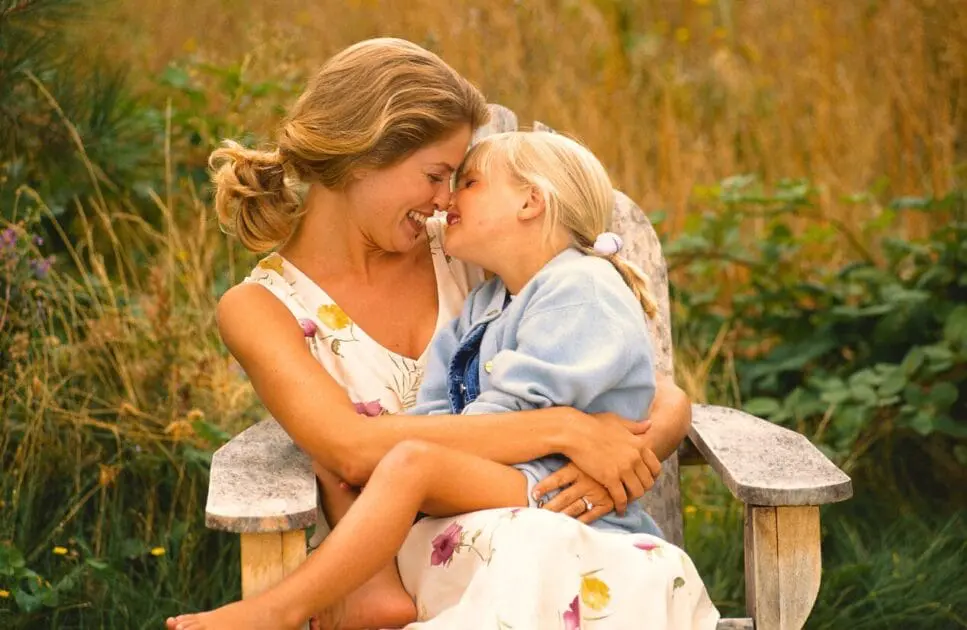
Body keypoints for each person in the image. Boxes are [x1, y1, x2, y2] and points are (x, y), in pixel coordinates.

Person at [166, 38, 716, 630]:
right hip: (394, 569)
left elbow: (658, 394)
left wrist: (607, 474)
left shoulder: (466, 253)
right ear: (361, 155)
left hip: (531, 544)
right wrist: (568, 429)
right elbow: (350, 449)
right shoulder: (263, 306)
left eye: (458, 179)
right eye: (436, 175)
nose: (445, 198)